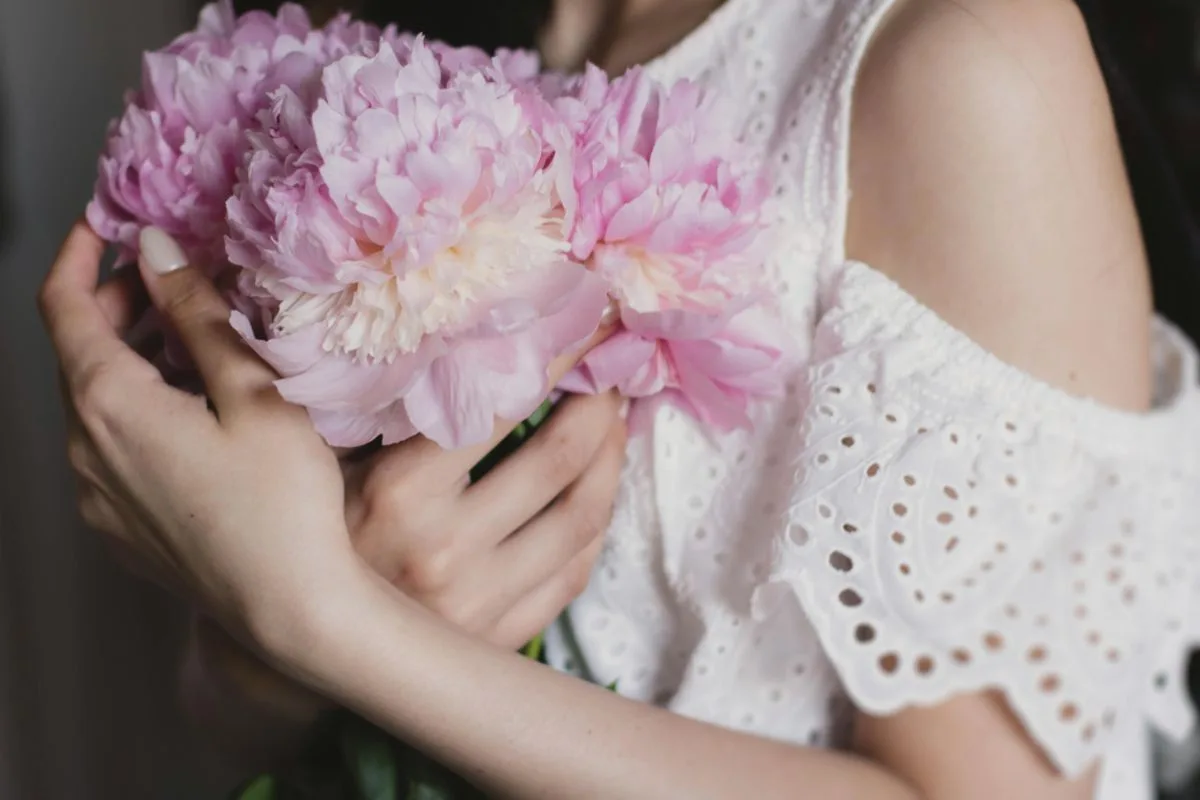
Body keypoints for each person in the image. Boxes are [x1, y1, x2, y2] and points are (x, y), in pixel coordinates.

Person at [40, 0, 1200, 797]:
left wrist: (323, 616)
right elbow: (224, 716)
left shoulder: (956, 57)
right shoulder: (359, 59)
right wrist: (261, 657)